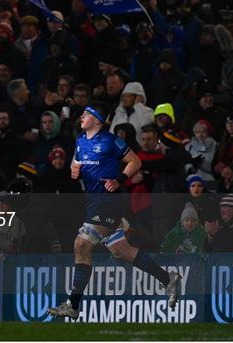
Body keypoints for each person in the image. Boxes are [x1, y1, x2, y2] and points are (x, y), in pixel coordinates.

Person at [47, 105, 181, 320]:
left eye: (87, 114)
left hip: (108, 201)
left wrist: (119, 179)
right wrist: (74, 167)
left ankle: (73, 304)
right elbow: (77, 161)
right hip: (93, 202)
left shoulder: (110, 140)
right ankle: (168, 278)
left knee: (81, 244)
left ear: (98, 121)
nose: (82, 116)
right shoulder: (81, 140)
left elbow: (135, 161)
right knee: (121, 251)